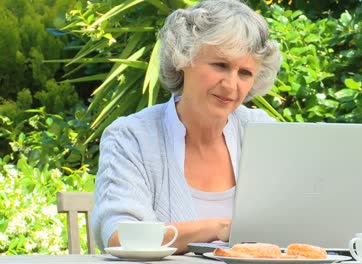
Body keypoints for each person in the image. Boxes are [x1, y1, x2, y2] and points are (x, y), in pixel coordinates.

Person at [91, 0, 282, 254]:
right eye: (220, 65)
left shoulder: (265, 134)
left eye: (245, 73)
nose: (231, 84)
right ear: (184, 57)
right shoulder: (131, 137)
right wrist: (219, 228)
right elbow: (120, 237)